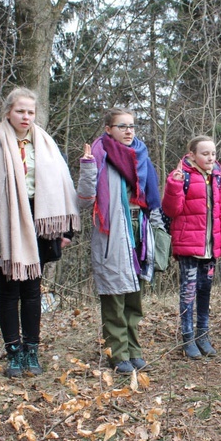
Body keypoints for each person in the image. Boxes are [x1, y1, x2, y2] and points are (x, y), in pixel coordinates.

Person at [0, 87, 80, 378]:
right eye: (20, 111)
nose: (26, 116)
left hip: (40, 223)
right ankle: (13, 352)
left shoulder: (47, 145)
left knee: (32, 290)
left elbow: (61, 188)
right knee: (8, 291)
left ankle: (32, 349)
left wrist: (65, 230)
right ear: (8, 112)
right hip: (5, 226)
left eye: (30, 112)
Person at [78, 107, 162, 375]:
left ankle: (134, 349)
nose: (128, 131)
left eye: (132, 126)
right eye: (121, 126)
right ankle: (117, 352)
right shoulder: (99, 155)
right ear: (108, 129)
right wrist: (88, 169)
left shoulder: (141, 155)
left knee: (134, 295)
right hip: (112, 232)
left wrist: (159, 229)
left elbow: (151, 199)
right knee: (115, 295)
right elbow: (85, 199)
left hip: (139, 232)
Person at [162, 135, 221, 360]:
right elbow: (171, 210)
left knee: (205, 290)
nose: (210, 157)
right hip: (188, 247)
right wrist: (174, 185)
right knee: (188, 291)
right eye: (205, 153)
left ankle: (203, 334)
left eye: (213, 153)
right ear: (192, 155)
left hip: (211, 248)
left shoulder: (218, 180)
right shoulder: (181, 177)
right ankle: (188, 337)